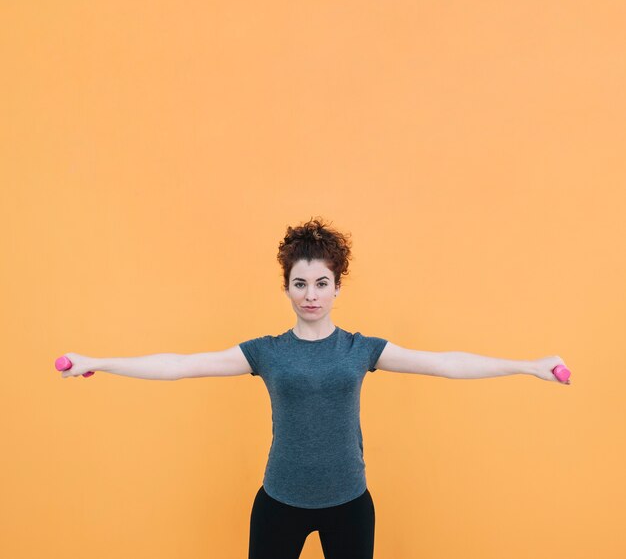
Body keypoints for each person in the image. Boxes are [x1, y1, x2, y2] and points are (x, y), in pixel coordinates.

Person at [59, 216, 571, 559]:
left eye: (321, 283)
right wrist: (99, 362)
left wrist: (527, 366)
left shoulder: (360, 348)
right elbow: (180, 364)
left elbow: (444, 363)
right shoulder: (267, 351)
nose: (310, 295)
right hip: (279, 504)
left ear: (337, 286)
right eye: (300, 283)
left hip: (349, 503)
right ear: (286, 286)